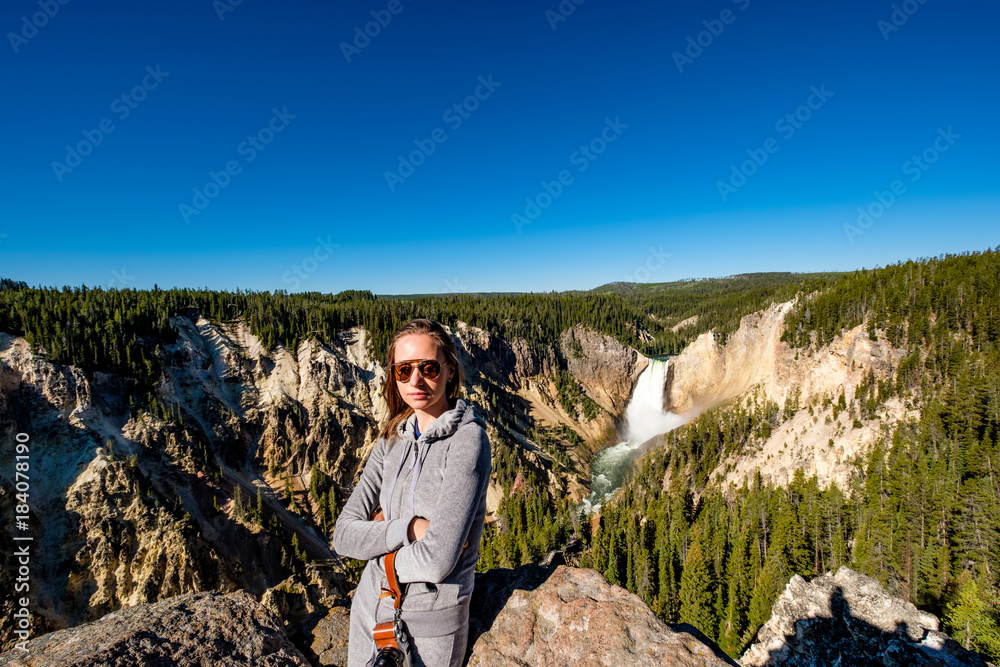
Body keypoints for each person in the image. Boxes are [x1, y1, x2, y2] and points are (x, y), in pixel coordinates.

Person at [333, 318, 492, 667]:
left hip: (429, 628)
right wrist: (410, 528)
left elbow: (437, 561)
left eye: (429, 368)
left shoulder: (468, 441)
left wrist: (376, 542)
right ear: (394, 376)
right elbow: (343, 537)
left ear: (450, 371)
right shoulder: (391, 441)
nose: (416, 380)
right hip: (368, 614)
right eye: (404, 370)